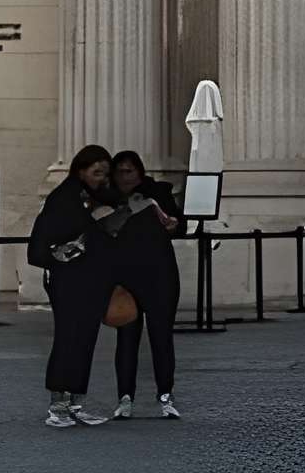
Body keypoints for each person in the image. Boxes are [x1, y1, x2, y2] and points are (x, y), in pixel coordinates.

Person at [30, 146, 119, 428]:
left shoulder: (94, 197)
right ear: (81, 170)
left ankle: (76, 402)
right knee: (68, 337)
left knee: (86, 338)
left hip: (91, 279)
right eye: (96, 173)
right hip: (68, 279)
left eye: (105, 173)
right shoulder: (64, 198)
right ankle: (58, 404)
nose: (101, 178)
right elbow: (44, 244)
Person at [102, 150, 182, 421]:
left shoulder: (157, 193)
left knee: (162, 337)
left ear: (139, 172)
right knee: (126, 340)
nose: (125, 177)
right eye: (120, 172)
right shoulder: (108, 200)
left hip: (160, 275)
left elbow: (178, 224)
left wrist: (173, 224)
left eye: (129, 171)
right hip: (124, 279)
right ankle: (125, 397)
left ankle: (166, 395)